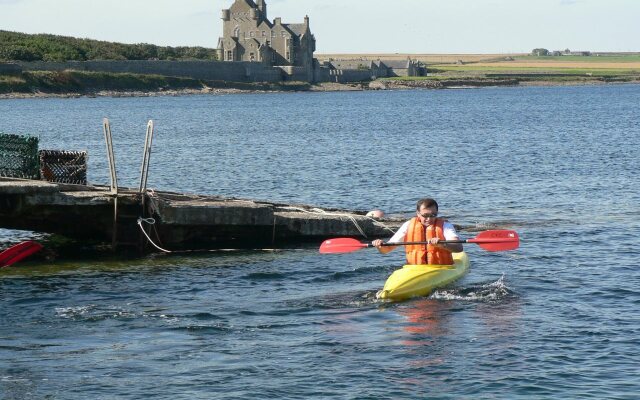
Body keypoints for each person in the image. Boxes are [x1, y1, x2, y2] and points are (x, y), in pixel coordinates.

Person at [372, 198, 463, 265]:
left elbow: (459, 248)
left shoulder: (445, 226)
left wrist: (442, 244)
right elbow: (386, 250)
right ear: (418, 213)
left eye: (433, 215)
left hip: (442, 268)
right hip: (414, 269)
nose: (429, 219)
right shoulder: (408, 225)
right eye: (425, 215)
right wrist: (380, 245)